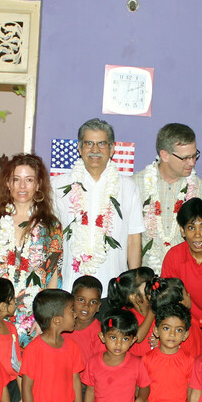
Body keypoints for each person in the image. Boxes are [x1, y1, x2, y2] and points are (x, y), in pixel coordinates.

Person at [0, 153, 63, 345]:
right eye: (16, 179)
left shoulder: (51, 226)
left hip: (33, 319)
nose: (22, 187)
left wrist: (45, 319)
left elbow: (54, 276)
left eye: (29, 180)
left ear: (38, 184)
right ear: (8, 183)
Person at [52, 118, 144, 290]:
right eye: (89, 143)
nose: (95, 150)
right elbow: (51, 240)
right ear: (79, 148)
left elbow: (133, 239)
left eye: (102, 143)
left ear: (112, 149)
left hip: (113, 286)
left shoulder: (127, 187)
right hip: (69, 285)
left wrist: (135, 285)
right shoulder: (57, 186)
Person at [135, 123, 202, 271]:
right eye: (185, 158)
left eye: (194, 155)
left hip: (187, 279)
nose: (192, 162)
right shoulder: (136, 185)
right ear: (164, 155)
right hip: (146, 278)